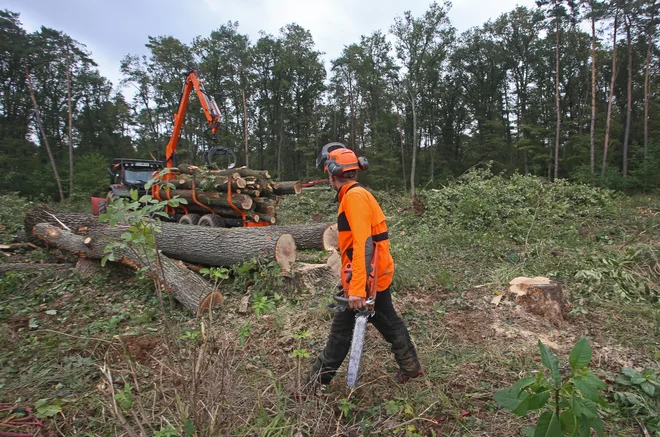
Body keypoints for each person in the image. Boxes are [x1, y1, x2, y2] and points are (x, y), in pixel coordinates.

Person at [306, 142, 422, 389]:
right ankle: (411, 367)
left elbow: (364, 244)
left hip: (366, 276)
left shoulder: (355, 197)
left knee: (340, 332)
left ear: (331, 172)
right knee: (387, 319)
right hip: (373, 272)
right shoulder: (355, 194)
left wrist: (358, 288)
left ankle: (313, 386)